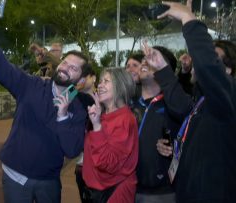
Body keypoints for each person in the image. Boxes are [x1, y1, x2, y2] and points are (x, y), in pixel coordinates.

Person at [0, 9, 91, 203]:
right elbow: (3, 67)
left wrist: (62, 116)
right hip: (15, 176)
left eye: (73, 68)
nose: (64, 68)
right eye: (65, 62)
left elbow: (72, 150)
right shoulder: (32, 85)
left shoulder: (77, 107)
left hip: (49, 179)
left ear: (81, 78)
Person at [144, 1, 236, 202]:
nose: (197, 61)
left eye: (215, 60)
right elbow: (182, 108)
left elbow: (209, 68)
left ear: (227, 72)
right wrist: (161, 68)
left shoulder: (227, 99)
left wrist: (189, 20)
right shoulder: (204, 101)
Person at [82, 68, 138, 203]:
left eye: (106, 81)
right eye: (100, 81)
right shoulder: (104, 114)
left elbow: (108, 162)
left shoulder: (125, 119)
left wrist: (96, 126)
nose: (100, 85)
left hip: (113, 193)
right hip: (95, 190)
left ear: (120, 86)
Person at [132, 46, 179, 203]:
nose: (144, 62)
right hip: (125, 187)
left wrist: (174, 148)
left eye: (152, 60)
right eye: (144, 59)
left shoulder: (176, 106)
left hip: (161, 193)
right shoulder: (126, 102)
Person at [74, 69, 97, 203]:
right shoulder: (76, 96)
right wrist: (75, 88)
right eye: (79, 77)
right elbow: (60, 100)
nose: (81, 79)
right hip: (81, 163)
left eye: (84, 77)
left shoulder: (104, 97)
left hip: (100, 163)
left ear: (93, 78)